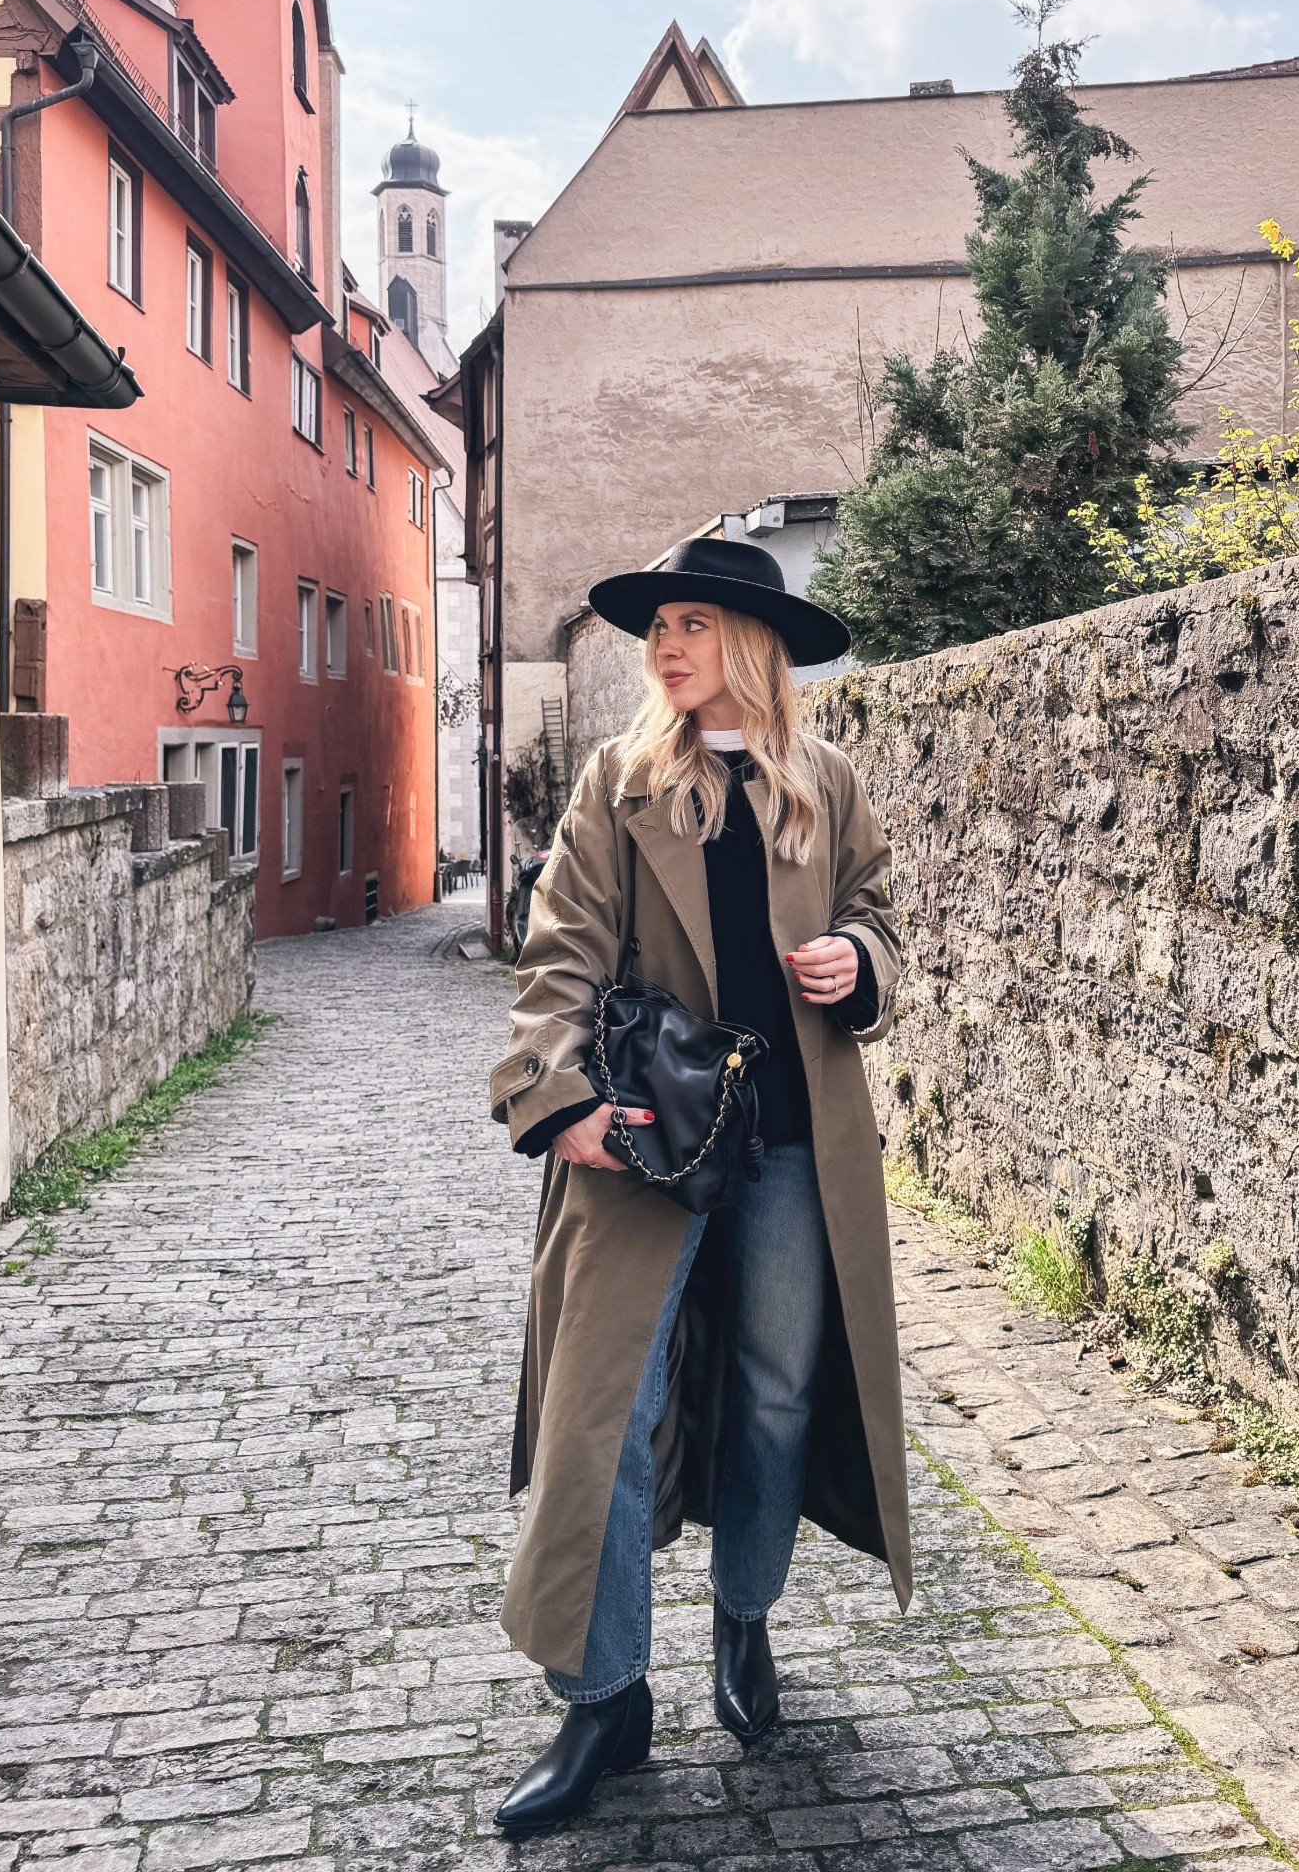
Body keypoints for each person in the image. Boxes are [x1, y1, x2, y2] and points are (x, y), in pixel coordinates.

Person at [489, 537, 911, 1837]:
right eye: (657, 626)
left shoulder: (823, 783)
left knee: (779, 1394)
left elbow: (881, 912)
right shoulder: (618, 785)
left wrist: (858, 956)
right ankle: (603, 1698)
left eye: (691, 624)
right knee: (611, 1410)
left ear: (751, 643)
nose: (664, 646)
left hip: (791, 1142)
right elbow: (559, 951)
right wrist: (556, 1093)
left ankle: (745, 1618)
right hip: (648, 1143)